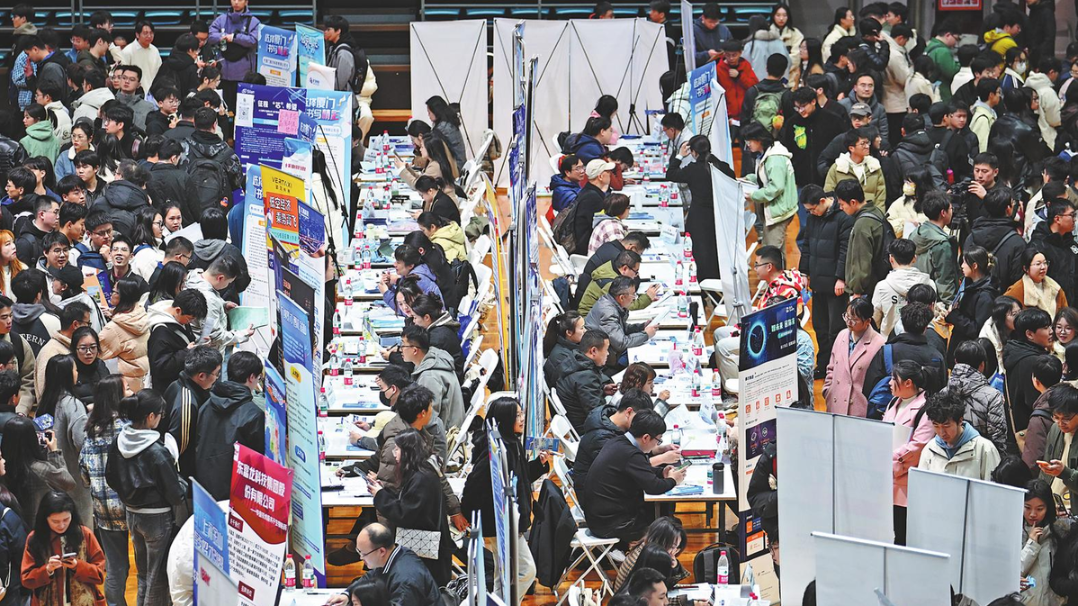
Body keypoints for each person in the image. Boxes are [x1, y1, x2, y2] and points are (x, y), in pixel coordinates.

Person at [461, 398, 548, 601]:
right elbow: (473, 485)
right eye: (517, 415)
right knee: (526, 570)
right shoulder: (497, 450)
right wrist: (467, 513)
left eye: (521, 413)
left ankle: (498, 602)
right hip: (501, 523)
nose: (522, 418)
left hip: (509, 521)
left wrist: (539, 464)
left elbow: (520, 476)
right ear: (505, 419)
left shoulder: (511, 443)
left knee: (503, 574)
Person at [105, 390, 185, 606]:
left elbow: (110, 477)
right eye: (160, 414)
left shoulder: (118, 441)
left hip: (132, 514)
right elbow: (176, 495)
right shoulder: (157, 451)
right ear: (151, 416)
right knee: (157, 577)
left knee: (142, 574)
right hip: (157, 517)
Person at [583, 411, 684, 546]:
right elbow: (654, 487)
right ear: (646, 438)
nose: (657, 445)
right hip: (610, 523)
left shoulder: (618, 441)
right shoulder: (631, 454)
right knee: (670, 527)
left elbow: (639, 470)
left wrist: (662, 472)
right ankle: (653, 556)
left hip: (600, 516)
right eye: (658, 440)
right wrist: (673, 480)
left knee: (663, 515)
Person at [78, 375, 128, 606]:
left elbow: (84, 475)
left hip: (103, 508)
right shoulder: (127, 428)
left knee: (115, 566)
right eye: (126, 388)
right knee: (145, 566)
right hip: (132, 504)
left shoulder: (90, 431)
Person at [575, 389, 676, 499]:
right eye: (640, 417)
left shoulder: (615, 423)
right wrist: (662, 459)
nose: (643, 422)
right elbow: (630, 465)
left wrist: (658, 450)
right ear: (628, 412)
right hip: (598, 497)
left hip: (611, 487)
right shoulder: (601, 437)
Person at [799, 186, 854, 376]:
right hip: (817, 282)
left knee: (836, 329)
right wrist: (804, 272)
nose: (811, 212)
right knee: (820, 327)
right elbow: (806, 246)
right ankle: (823, 365)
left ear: (823, 201)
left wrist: (841, 278)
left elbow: (845, 251)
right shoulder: (812, 219)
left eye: (813, 208)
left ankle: (837, 366)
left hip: (835, 285)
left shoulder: (843, 218)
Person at [194, 351, 263, 500]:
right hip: (236, 493)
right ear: (251, 377)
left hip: (204, 487)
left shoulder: (207, 404)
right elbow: (257, 461)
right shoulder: (253, 414)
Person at [19, 491, 105, 606]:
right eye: (55, 521)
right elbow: (26, 579)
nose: (61, 525)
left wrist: (78, 566)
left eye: (66, 519)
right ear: (45, 518)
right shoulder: (35, 538)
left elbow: (99, 575)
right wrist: (47, 570)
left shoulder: (84, 534)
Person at [882, 360, 932, 544]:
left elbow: (918, 447)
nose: (889, 383)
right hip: (885, 482)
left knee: (902, 537)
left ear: (908, 383)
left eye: (893, 379)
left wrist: (886, 461)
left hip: (906, 486)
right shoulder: (893, 402)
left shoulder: (925, 409)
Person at [862, 302, 946, 407]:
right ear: (925, 327)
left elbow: (869, 387)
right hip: (925, 413)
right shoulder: (936, 356)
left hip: (889, 412)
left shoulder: (887, 351)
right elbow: (942, 392)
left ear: (902, 323)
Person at [1, 417, 74, 531]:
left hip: (12, 529)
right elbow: (68, 483)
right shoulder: (41, 469)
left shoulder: (3, 468)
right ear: (32, 440)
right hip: (40, 530)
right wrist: (54, 453)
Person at [664, 136, 719, 281]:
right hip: (719, 215)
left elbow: (670, 174)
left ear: (693, 152)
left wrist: (680, 156)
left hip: (698, 216)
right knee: (715, 249)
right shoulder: (722, 166)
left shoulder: (693, 169)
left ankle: (700, 281)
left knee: (699, 251)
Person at [918, 388, 1003, 480]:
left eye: (946, 425)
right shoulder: (930, 449)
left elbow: (992, 486)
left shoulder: (985, 449)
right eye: (936, 425)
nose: (941, 432)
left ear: (960, 421)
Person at [824, 296, 886, 416]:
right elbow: (831, 367)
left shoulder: (879, 344)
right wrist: (828, 390)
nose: (849, 322)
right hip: (835, 405)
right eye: (847, 317)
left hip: (859, 410)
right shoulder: (842, 335)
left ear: (867, 321)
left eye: (854, 320)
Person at [742, 122, 797, 252]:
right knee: (776, 250)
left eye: (750, 141)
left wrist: (754, 195)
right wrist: (749, 179)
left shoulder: (774, 159)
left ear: (759, 140)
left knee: (770, 252)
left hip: (779, 211)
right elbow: (765, 177)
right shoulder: (764, 153)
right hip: (775, 209)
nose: (748, 144)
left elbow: (776, 187)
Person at [584, 276, 657, 374]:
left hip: (611, 351)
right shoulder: (608, 312)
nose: (634, 298)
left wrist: (641, 327)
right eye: (633, 295)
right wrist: (646, 335)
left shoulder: (611, 302)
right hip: (605, 361)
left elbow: (621, 328)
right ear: (622, 297)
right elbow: (621, 343)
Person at [184, 255, 253, 356]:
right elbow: (216, 336)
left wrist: (223, 305)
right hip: (206, 354)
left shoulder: (192, 275)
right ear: (220, 278)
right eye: (229, 282)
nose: (227, 285)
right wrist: (244, 334)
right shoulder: (210, 300)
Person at [398, 325, 463, 429]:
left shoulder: (429, 377)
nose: (400, 349)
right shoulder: (434, 358)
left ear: (415, 350)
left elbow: (427, 420)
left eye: (403, 345)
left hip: (444, 433)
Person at [1018, 479, 1070, 605]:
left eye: (1039, 509)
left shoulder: (1059, 531)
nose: (1032, 514)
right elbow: (1015, 571)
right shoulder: (1015, 531)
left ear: (1048, 508)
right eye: (1027, 507)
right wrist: (1031, 544)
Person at [1008, 308, 1058, 434]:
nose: (1051, 331)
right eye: (1046, 328)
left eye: (1050, 326)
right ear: (1029, 334)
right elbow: (1035, 401)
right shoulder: (1031, 362)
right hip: (1032, 429)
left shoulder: (1016, 351)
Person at [145, 289, 207, 390]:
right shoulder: (160, 331)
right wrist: (186, 352)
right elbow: (160, 367)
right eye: (190, 319)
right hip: (168, 388)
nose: (190, 322)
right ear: (178, 310)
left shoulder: (180, 317)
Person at [554, 330, 614, 430]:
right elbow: (598, 415)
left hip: (578, 420)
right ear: (593, 351)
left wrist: (602, 388)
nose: (608, 353)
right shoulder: (586, 377)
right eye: (606, 349)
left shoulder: (574, 360)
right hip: (585, 429)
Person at [872, 238, 933, 337]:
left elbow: (875, 320)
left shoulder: (882, 287)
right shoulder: (929, 284)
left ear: (891, 259)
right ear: (914, 258)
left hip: (890, 342)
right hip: (921, 341)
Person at [946, 244, 999, 357]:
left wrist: (954, 315)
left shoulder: (985, 295)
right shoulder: (969, 284)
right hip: (961, 343)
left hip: (970, 351)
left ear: (974, 266)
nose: (962, 266)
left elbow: (977, 329)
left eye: (965, 262)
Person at [97, 277, 149, 392]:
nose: (111, 294)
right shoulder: (141, 315)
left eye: (114, 292)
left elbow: (96, 354)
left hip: (124, 387)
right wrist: (113, 313)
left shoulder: (113, 329)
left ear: (123, 296)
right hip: (142, 381)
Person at [207, 0, 261, 107]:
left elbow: (254, 40)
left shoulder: (254, 22)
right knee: (225, 106)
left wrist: (235, 37)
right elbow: (210, 36)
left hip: (244, 74)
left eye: (240, 0)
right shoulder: (221, 19)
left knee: (243, 107)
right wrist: (223, 36)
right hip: (224, 73)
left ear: (246, 2)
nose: (236, 2)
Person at [837, 180, 887, 298]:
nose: (840, 208)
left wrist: (857, 292)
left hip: (867, 291)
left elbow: (861, 262)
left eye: (842, 204)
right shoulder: (876, 211)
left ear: (853, 202)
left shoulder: (862, 225)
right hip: (879, 283)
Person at [34, 303, 89, 402]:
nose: (89, 328)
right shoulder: (50, 352)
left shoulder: (77, 347)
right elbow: (46, 393)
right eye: (88, 324)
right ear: (76, 324)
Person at [578, 250, 656, 317]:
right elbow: (627, 305)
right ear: (625, 268)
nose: (636, 276)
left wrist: (644, 296)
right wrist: (647, 298)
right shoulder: (611, 284)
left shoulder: (610, 268)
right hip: (589, 320)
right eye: (635, 272)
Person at [825, 128, 887, 210]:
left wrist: (877, 215)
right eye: (863, 144)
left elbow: (881, 197)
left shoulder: (874, 166)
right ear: (851, 148)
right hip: (843, 214)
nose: (867, 146)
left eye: (867, 143)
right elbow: (829, 195)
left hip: (870, 213)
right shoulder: (838, 168)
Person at [1037, 382, 1078, 502]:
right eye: (1056, 417)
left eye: (1066, 418)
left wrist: (1064, 472)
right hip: (1053, 502)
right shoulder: (1055, 429)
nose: (1060, 423)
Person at [568, 159, 614, 256]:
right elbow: (601, 227)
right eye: (608, 172)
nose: (610, 175)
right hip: (588, 250)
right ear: (600, 176)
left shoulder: (588, 191)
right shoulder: (593, 198)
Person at [1006, 249, 1067, 318]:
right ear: (1025, 268)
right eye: (1038, 264)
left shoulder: (1055, 288)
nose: (1043, 267)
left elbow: (1065, 314)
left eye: (1045, 263)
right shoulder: (1015, 291)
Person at [715, 40, 759, 131]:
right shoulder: (718, 69)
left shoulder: (745, 65)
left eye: (734, 55)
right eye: (728, 55)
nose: (731, 58)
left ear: (740, 53)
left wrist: (739, 76)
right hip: (729, 117)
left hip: (746, 114)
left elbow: (754, 86)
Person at [543, 311, 585, 387]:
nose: (585, 331)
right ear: (569, 332)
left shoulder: (572, 347)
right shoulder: (562, 357)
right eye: (582, 328)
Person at [70, 326, 108, 406]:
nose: (89, 352)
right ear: (75, 349)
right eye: (83, 348)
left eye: (93, 347)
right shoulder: (67, 366)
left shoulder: (100, 365)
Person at [426, 96, 465, 171]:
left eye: (429, 112)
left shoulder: (443, 128)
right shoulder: (449, 123)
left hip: (455, 168)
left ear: (436, 111)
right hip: (460, 164)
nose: (428, 115)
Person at [924, 20, 960, 101]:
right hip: (942, 93)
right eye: (956, 39)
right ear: (948, 35)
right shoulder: (943, 51)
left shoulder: (930, 45)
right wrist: (960, 63)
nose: (956, 43)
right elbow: (951, 72)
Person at [548, 154, 583, 222]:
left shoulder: (572, 183)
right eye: (578, 169)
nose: (582, 171)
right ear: (567, 172)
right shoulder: (562, 191)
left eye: (582, 167)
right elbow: (580, 207)